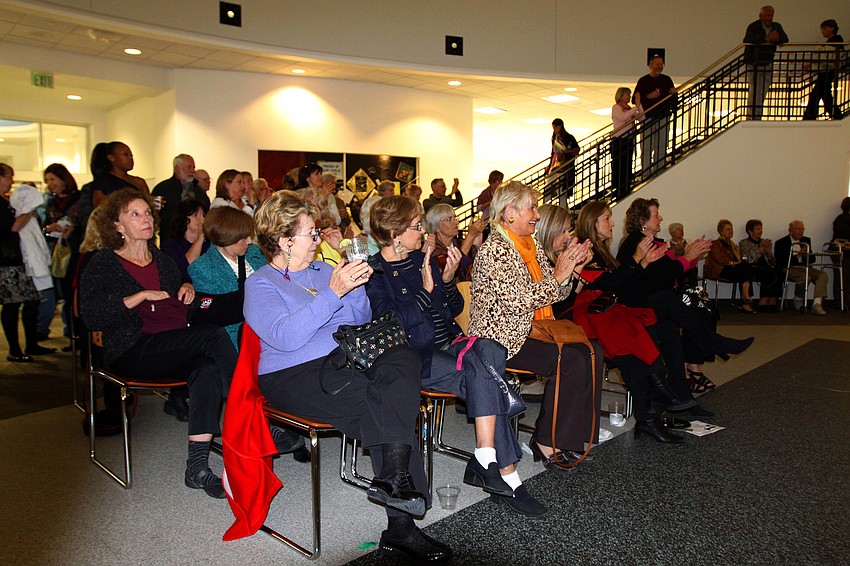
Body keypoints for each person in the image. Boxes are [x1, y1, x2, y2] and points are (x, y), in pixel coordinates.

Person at [243, 191, 452, 562]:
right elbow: (286, 338)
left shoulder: (325, 270)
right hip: (293, 374)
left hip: (348, 358)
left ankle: (393, 480)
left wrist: (354, 289)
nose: (319, 238)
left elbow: (358, 320)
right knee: (389, 403)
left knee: (403, 360)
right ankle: (402, 523)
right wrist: (334, 293)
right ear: (284, 240)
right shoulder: (262, 283)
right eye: (311, 232)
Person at [367, 195, 546, 516]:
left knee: (490, 350)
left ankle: (486, 456)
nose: (421, 232)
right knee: (485, 373)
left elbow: (453, 309)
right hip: (415, 357)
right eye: (414, 226)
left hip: (451, 343)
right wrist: (424, 290)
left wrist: (447, 281)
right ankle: (506, 477)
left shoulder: (418, 259)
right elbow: (389, 324)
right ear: (394, 233)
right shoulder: (375, 273)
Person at [79, 189, 235, 497]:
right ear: (117, 226)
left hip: (168, 344)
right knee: (213, 335)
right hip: (130, 349)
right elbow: (91, 315)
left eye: (148, 213)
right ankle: (247, 415)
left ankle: (197, 467)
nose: (146, 219)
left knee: (205, 369)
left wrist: (187, 287)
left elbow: (178, 298)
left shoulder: (162, 262)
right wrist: (138, 297)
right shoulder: (104, 263)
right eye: (135, 214)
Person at [469, 181, 604, 464]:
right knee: (570, 359)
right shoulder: (495, 250)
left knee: (592, 351)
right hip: (501, 338)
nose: (537, 215)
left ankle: (573, 436)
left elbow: (553, 295)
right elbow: (517, 301)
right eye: (531, 208)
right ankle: (547, 441)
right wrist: (558, 276)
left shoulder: (530, 245)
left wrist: (571, 270)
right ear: (510, 214)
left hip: (530, 329)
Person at [573, 201, 702, 443]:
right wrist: (637, 259)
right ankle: (657, 402)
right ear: (592, 223)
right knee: (639, 342)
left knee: (653, 327)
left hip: (604, 314)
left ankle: (653, 412)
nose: (612, 222)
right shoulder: (585, 248)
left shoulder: (600, 249)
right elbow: (605, 286)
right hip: (589, 317)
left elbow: (617, 284)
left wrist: (641, 262)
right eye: (607, 218)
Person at [617, 199, 749, 408]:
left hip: (653, 303)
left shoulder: (650, 240)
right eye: (656, 214)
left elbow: (668, 272)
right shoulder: (635, 242)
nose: (660, 218)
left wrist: (690, 257)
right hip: (637, 307)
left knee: (683, 319)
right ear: (643, 220)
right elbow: (661, 277)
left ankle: (684, 396)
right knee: (673, 302)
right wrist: (687, 257)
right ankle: (713, 344)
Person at [1, 163, 48, 362]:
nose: (12, 181)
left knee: (29, 301)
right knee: (13, 305)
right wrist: (28, 211)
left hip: (16, 259)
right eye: (9, 177)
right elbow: (13, 227)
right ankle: (15, 350)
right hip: (7, 261)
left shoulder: (5, 202)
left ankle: (29, 345)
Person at [43, 163, 85, 344]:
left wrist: (72, 230)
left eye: (52, 179)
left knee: (75, 292)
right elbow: (43, 226)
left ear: (63, 178)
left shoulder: (80, 198)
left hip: (76, 251)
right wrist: (49, 229)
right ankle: (70, 334)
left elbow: (84, 223)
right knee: (65, 294)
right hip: (59, 252)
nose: (50, 183)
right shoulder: (50, 203)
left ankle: (76, 333)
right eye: (47, 181)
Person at [743, 5, 789, 120]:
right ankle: (752, 116)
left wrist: (776, 39)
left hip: (768, 61)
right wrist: (766, 38)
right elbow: (748, 40)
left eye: (771, 15)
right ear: (760, 16)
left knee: (763, 90)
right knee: (755, 90)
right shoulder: (754, 26)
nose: (770, 18)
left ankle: (756, 115)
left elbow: (785, 39)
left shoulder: (776, 26)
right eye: (767, 15)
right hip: (754, 62)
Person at [633, 55, 676, 178]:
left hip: (663, 116)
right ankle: (646, 173)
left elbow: (673, 98)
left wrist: (673, 93)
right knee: (646, 147)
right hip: (648, 118)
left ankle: (659, 172)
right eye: (657, 64)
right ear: (650, 65)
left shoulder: (667, 80)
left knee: (661, 146)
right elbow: (634, 99)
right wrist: (648, 97)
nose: (660, 66)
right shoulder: (643, 81)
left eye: (661, 64)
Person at [151, 154, 210, 242]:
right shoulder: (163, 189)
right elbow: (155, 215)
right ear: (177, 168)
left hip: (197, 240)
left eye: (193, 167)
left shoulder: (198, 190)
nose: (192, 171)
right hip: (171, 240)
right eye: (189, 167)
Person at [774, 220, 828, 315]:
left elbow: (812, 259)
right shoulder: (781, 242)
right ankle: (798, 299)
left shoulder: (806, 240)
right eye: (798, 229)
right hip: (791, 268)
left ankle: (817, 304)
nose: (801, 231)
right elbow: (780, 261)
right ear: (790, 230)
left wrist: (805, 255)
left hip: (806, 267)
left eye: (803, 229)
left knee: (822, 275)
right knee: (805, 277)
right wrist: (798, 256)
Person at [704, 219, 756, 313]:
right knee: (744, 269)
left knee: (745, 269)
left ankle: (745, 298)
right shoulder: (715, 244)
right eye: (728, 229)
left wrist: (737, 263)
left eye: (731, 229)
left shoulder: (733, 245)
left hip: (733, 270)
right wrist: (732, 263)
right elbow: (719, 259)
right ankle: (746, 300)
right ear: (721, 232)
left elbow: (738, 259)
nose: (731, 231)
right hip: (720, 270)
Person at [424, 203, 485, 282]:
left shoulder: (460, 243)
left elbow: (481, 268)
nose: (456, 222)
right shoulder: (433, 250)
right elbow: (451, 273)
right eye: (449, 219)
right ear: (437, 227)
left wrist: (477, 245)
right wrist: (470, 237)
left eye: (455, 218)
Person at [161, 198, 210, 283]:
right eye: (195, 215)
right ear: (184, 218)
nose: (201, 220)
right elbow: (186, 271)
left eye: (203, 216)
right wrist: (201, 236)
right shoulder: (170, 246)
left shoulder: (209, 246)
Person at [739, 219, 783, 312]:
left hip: (765, 266)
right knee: (767, 273)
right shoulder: (743, 243)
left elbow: (772, 262)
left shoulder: (764, 241)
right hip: (752, 267)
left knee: (778, 272)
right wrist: (759, 250)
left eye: (761, 229)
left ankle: (772, 300)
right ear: (750, 231)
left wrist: (768, 251)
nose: (761, 231)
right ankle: (763, 301)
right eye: (757, 229)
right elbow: (747, 259)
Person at [803, 19, 844, 120]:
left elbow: (826, 57)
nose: (822, 31)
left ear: (832, 28)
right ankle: (836, 115)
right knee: (824, 95)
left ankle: (810, 116)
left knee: (816, 95)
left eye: (825, 29)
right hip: (827, 71)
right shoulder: (833, 42)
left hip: (827, 72)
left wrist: (812, 62)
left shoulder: (835, 41)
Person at [90, 141, 150, 208]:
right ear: (111, 158)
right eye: (125, 155)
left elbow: (148, 204)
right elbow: (101, 210)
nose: (130, 158)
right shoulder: (102, 183)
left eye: (131, 155)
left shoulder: (139, 182)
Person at [610, 87, 642, 198]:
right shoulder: (617, 107)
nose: (629, 97)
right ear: (621, 96)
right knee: (619, 165)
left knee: (627, 164)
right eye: (627, 94)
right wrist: (636, 107)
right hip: (619, 140)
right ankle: (618, 188)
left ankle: (626, 186)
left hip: (628, 139)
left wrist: (639, 106)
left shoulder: (629, 108)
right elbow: (623, 117)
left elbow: (641, 117)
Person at [545, 118, 580, 208]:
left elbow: (576, 150)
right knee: (548, 187)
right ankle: (546, 207)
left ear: (560, 126)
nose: (554, 129)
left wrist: (568, 152)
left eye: (555, 127)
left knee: (562, 191)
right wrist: (549, 165)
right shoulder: (554, 137)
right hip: (555, 165)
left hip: (564, 166)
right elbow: (553, 153)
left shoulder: (568, 137)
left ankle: (563, 209)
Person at [830, 197, 850, 310]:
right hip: (842, 252)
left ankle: (842, 301)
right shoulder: (842, 220)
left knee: (842, 278)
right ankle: (843, 302)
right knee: (844, 278)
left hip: (841, 252)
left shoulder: (840, 219)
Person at [667, 222, 698, 287]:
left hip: (688, 267)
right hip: (675, 267)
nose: (682, 231)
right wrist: (674, 250)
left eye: (682, 229)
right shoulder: (667, 244)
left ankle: (693, 290)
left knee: (694, 269)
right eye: (679, 229)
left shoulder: (689, 242)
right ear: (672, 232)